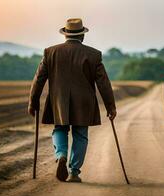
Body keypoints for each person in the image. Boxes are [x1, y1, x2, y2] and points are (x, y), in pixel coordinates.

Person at [28, 18, 116, 182]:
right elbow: (103, 83)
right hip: (84, 102)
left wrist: (33, 102)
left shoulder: (50, 52)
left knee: (60, 129)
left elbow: (38, 79)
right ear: (82, 36)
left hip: (59, 100)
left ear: (65, 35)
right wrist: (111, 107)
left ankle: (61, 155)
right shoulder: (94, 54)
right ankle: (74, 171)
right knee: (80, 134)